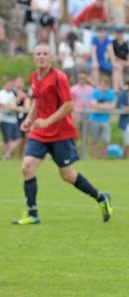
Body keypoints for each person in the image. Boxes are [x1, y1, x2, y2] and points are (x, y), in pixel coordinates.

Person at [13, 42, 113, 225]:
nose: (42, 56)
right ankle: (32, 213)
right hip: (41, 133)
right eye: (38, 54)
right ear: (34, 57)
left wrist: (47, 121)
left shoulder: (60, 77)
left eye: (45, 53)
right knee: (27, 167)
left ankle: (101, 197)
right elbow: (37, 101)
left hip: (60, 133)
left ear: (51, 57)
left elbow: (69, 106)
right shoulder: (34, 77)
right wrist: (30, 118)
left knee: (67, 175)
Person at [88, 75, 116, 158]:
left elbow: (112, 106)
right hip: (94, 119)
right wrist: (105, 105)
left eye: (106, 85)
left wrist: (100, 105)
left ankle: (102, 158)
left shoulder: (111, 93)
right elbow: (93, 105)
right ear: (100, 84)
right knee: (94, 140)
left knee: (106, 140)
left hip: (105, 120)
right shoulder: (95, 92)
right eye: (102, 85)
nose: (104, 87)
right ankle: (93, 158)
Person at [117, 83, 129, 159]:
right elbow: (119, 105)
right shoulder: (122, 94)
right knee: (126, 142)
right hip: (125, 121)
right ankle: (124, 158)